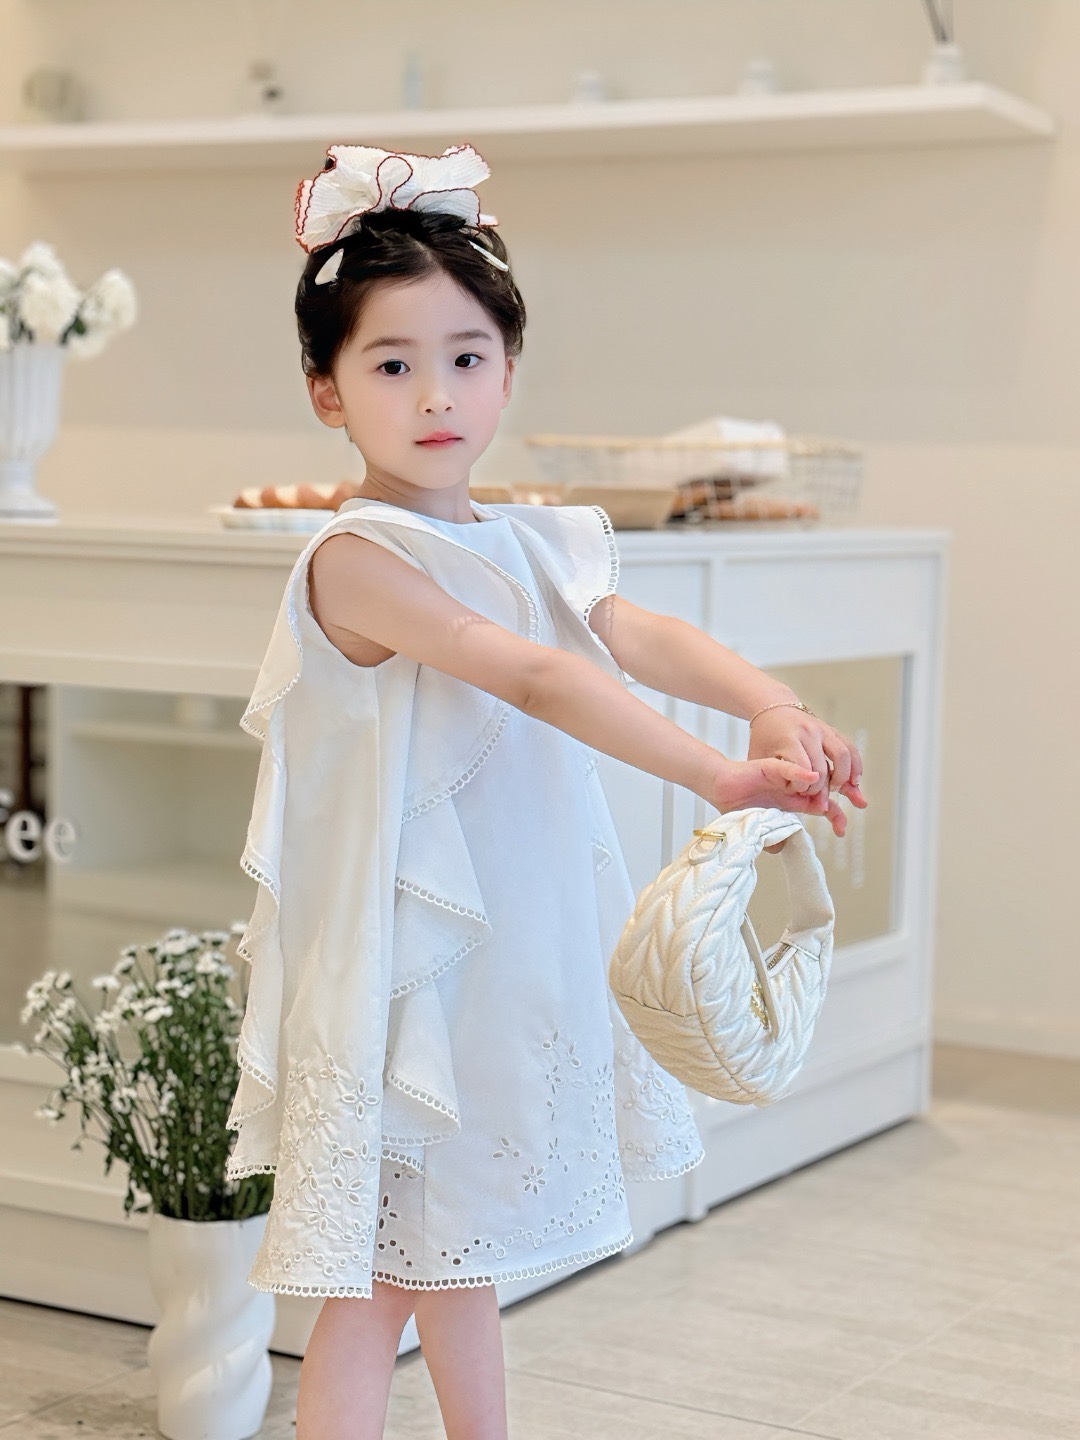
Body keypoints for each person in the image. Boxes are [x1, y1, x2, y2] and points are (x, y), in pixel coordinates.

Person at [226, 143, 867, 1440]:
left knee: (456, 1263)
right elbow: (527, 670)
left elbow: (632, 632)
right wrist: (717, 772)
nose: (436, 394)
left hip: (502, 960)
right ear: (325, 389)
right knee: (379, 1288)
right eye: (390, 365)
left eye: (467, 357)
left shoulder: (530, 537)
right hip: (403, 974)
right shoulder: (357, 558)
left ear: (508, 369)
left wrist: (769, 700)